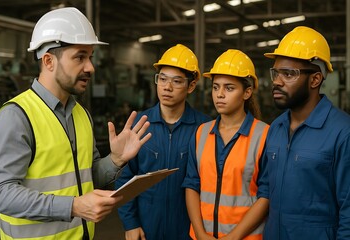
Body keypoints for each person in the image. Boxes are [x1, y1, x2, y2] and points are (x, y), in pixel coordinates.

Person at [0, 7, 151, 240]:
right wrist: (73, 207)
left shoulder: (81, 114)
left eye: (90, 57)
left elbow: (84, 178)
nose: (91, 67)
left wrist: (115, 160)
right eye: (80, 57)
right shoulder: (17, 116)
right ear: (48, 61)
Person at [257, 26, 350, 239]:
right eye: (276, 73)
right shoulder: (276, 129)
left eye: (288, 74)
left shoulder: (342, 132)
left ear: (315, 80)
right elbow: (266, 188)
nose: (277, 81)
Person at [115, 43, 211, 240]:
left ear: (191, 86)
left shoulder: (204, 128)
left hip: (189, 230)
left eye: (176, 81)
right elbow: (124, 179)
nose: (167, 87)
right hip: (147, 229)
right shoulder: (140, 125)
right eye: (162, 79)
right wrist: (130, 223)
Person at [182, 49, 270, 239]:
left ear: (247, 92)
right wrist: (200, 234)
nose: (219, 94)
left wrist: (233, 237)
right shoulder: (201, 133)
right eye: (216, 87)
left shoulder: (264, 135)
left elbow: (266, 195)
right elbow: (191, 185)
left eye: (229, 88)